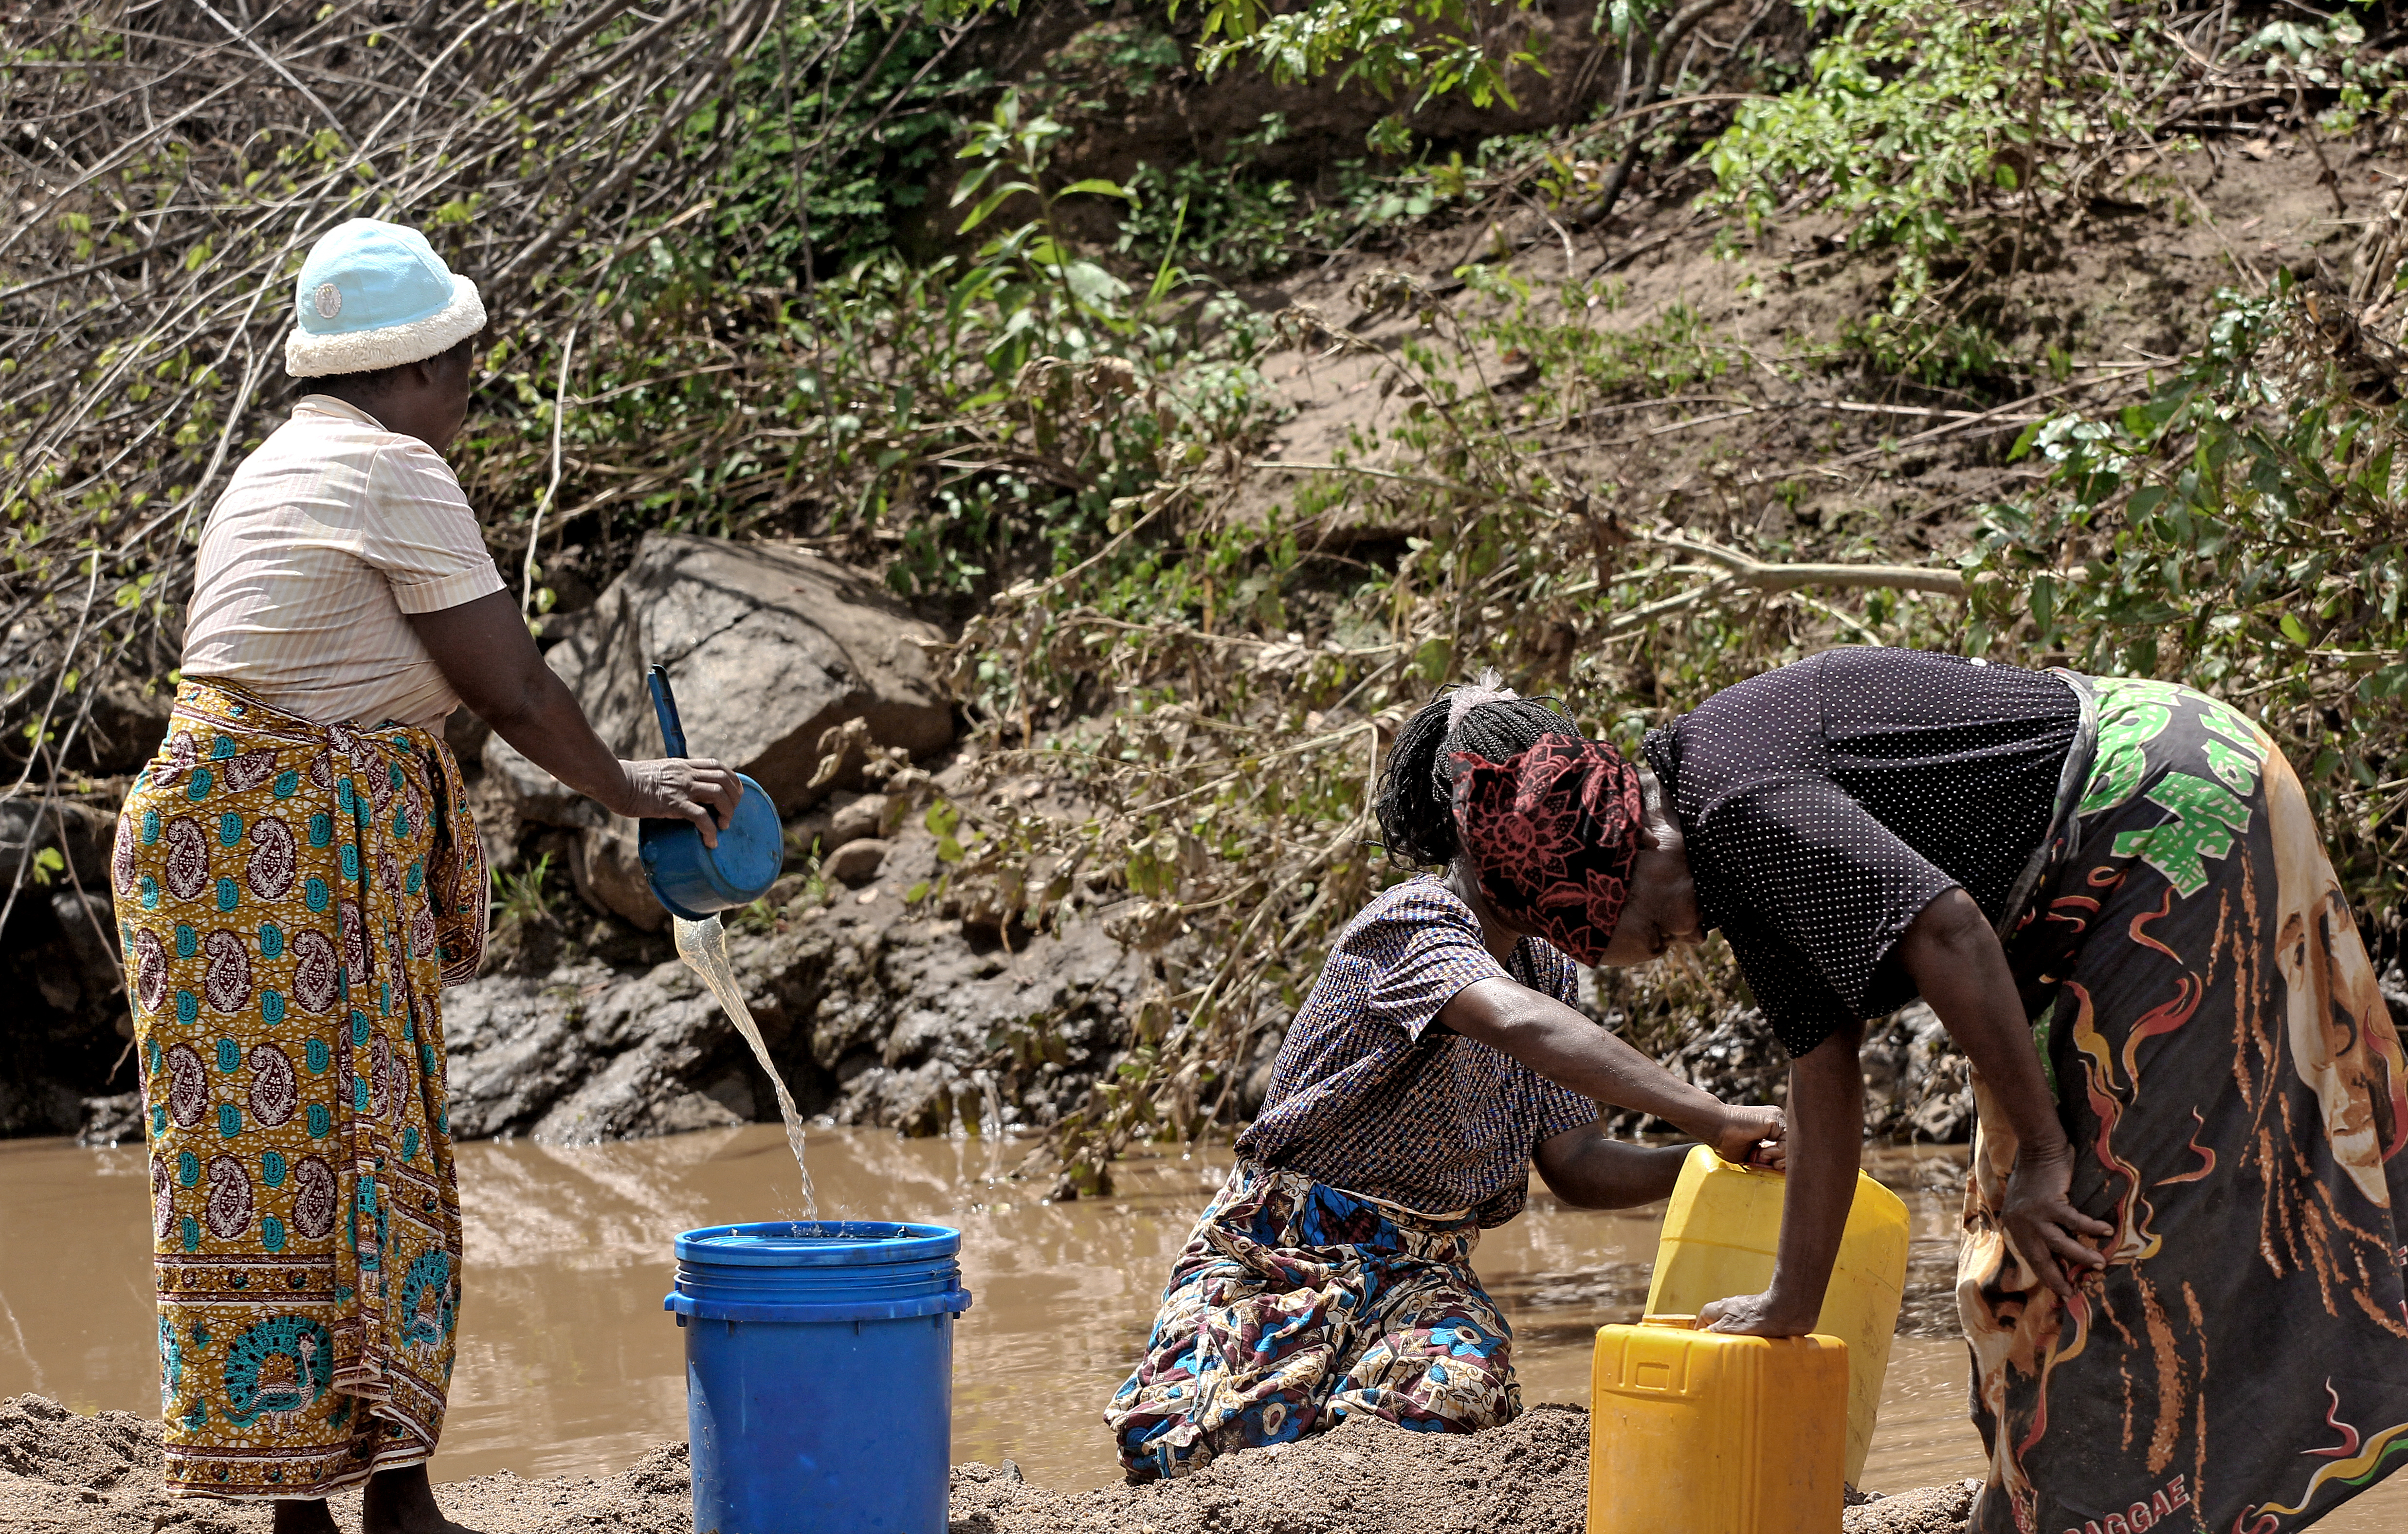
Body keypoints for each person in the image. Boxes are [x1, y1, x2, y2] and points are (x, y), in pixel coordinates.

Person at [1453, 645, 2405, 1533]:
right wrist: (1791, 1298)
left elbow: (1945, 928)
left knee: (2100, 1247)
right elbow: (1820, 1065)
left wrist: (2044, 1151)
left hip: (2159, 813)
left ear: (1636, 844)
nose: (1681, 939)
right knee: (2009, 1275)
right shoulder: (1720, 838)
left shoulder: (1738, 806)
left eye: (1656, 928)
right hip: (2081, 880)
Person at [110, 218, 740, 1534]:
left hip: (210, 841)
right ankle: (387, 1499)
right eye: (464, 370)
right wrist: (627, 791)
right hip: (277, 845)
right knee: (364, 1146)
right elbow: (506, 687)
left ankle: (321, 1503)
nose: (465, 399)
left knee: (264, 1169)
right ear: (418, 371)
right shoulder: (394, 469)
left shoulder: (278, 464)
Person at [1104, 680, 1788, 1480]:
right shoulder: (1415, 921)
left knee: (1458, 1399)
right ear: (1490, 824)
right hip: (1278, 1254)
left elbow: (1576, 1163)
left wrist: (1715, 1159)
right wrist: (1708, 1114)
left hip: (1426, 1271)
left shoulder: (1547, 965)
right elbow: (1514, 1023)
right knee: (1207, 1443)